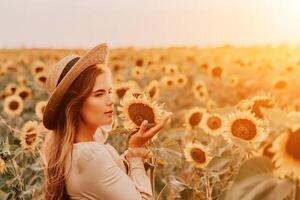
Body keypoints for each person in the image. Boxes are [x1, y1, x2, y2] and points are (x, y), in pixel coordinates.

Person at [41, 43, 171, 200]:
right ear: (75, 105)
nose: (111, 101)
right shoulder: (91, 156)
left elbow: (109, 177)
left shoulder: (68, 151)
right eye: (98, 94)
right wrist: (136, 153)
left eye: (110, 91)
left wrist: (134, 147)